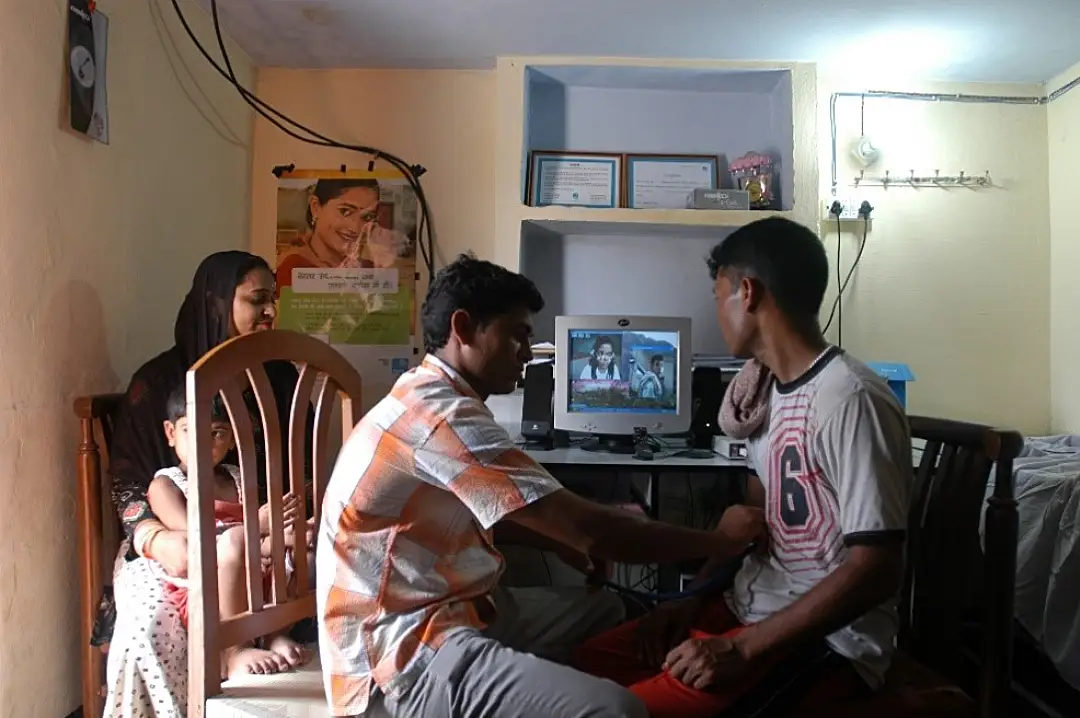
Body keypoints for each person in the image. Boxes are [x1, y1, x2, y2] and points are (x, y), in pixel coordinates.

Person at [316, 254, 768, 718]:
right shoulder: (441, 416)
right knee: (618, 710)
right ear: (464, 327)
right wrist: (723, 541)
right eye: (518, 334)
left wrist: (558, 541)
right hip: (398, 658)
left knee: (615, 614)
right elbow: (591, 529)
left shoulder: (431, 394)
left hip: (458, 606)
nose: (528, 353)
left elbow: (478, 516)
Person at [572, 217, 913, 718]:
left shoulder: (850, 398)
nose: (716, 311)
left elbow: (877, 569)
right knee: (581, 671)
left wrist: (745, 647)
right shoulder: (764, 396)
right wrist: (689, 600)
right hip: (745, 607)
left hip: (827, 644)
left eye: (718, 294)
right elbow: (754, 529)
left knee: (613, 713)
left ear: (747, 292)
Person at [104, 251, 312, 718]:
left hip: (260, 535)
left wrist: (290, 519)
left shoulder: (280, 377)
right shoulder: (158, 382)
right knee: (150, 627)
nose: (270, 312)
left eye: (272, 300)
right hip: (169, 546)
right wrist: (158, 539)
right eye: (256, 299)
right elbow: (130, 487)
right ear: (217, 303)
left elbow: (304, 471)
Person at [146, 384, 312, 676]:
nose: (204, 442)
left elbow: (255, 538)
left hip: (250, 568)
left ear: (233, 439)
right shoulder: (166, 485)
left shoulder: (237, 477)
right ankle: (232, 651)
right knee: (236, 540)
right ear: (171, 434)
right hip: (207, 581)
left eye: (218, 433)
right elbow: (197, 541)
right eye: (190, 430)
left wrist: (283, 535)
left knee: (306, 546)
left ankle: (273, 632)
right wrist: (256, 529)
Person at [276, 178, 410, 290]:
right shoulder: (291, 268)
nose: (356, 228)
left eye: (367, 217)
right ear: (315, 207)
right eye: (345, 211)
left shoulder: (370, 270)